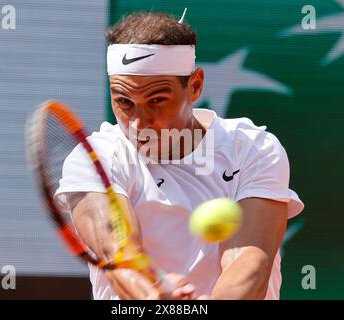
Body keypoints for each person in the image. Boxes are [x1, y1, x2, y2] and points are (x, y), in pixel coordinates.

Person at [55, 11, 304, 300]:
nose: (139, 123)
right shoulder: (94, 157)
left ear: (195, 85)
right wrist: (153, 295)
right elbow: (119, 252)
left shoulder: (253, 148)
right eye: (124, 102)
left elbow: (249, 262)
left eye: (158, 100)